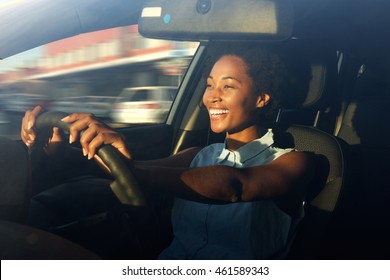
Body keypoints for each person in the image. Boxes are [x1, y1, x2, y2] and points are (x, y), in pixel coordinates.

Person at [21, 43, 313, 259]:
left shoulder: (293, 162)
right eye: (210, 85)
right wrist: (61, 152)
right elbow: (135, 173)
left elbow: (235, 186)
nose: (212, 96)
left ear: (261, 99)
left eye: (228, 86)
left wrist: (134, 170)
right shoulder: (199, 155)